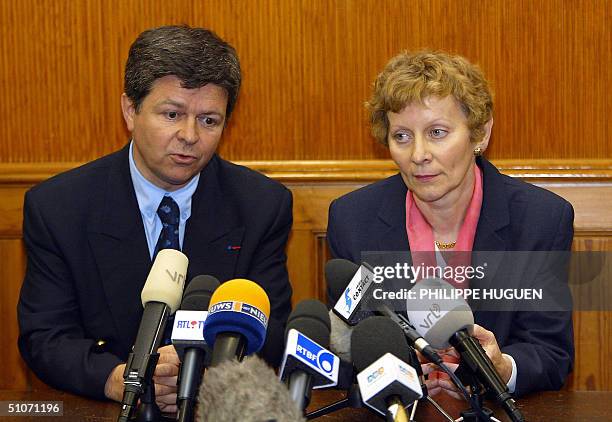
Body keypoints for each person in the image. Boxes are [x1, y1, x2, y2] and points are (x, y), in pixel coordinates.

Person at [17, 25, 293, 412]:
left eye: (209, 120)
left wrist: (202, 375)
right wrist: (118, 378)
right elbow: (46, 337)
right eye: (172, 114)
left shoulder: (261, 205)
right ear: (131, 110)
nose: (189, 135)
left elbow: (273, 330)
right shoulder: (60, 207)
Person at [327, 51, 574, 398]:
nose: (418, 154)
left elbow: (550, 353)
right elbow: (347, 348)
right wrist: (397, 369)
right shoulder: (353, 220)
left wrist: (501, 368)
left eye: (437, 132)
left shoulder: (540, 219)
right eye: (402, 136)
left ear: (480, 134)